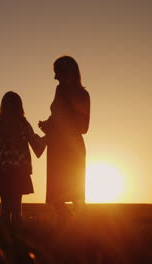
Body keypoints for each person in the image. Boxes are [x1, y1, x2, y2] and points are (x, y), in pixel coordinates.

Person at [38, 55, 90, 220]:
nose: (55, 77)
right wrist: (49, 125)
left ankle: (82, 230)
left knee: (76, 196)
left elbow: (83, 127)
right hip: (58, 148)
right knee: (56, 197)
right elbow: (57, 117)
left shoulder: (82, 95)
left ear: (67, 72)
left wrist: (57, 125)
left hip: (72, 149)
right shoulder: (59, 91)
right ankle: (74, 229)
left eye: (57, 72)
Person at [0, 91, 45, 225]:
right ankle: (18, 240)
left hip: (1, 172)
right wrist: (49, 136)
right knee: (17, 210)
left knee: (5, 210)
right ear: (20, 106)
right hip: (19, 171)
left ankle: (6, 240)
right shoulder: (22, 123)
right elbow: (37, 146)